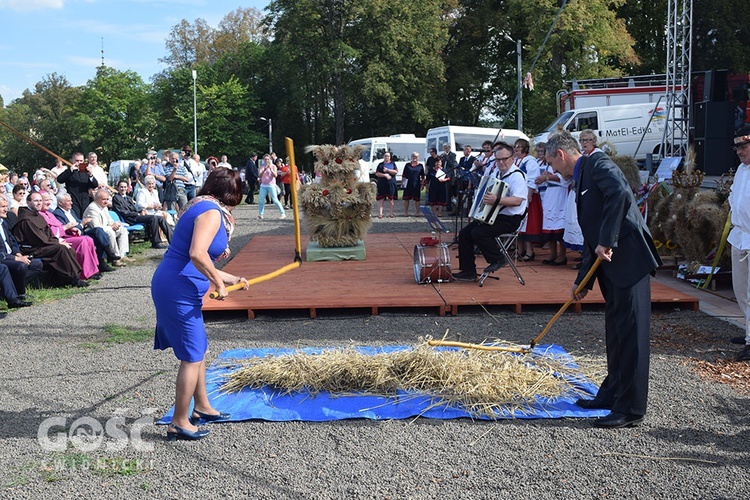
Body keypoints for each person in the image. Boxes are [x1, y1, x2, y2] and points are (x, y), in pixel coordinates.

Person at [545, 130, 661, 429]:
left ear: (561, 154)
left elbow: (621, 194)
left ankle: (631, 408)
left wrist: (607, 240)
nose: (552, 170)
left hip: (629, 261)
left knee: (632, 335)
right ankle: (611, 394)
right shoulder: (583, 174)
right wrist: (583, 280)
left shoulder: (597, 163)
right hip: (611, 264)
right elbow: (591, 233)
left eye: (551, 164)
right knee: (617, 333)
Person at [152, 167, 248, 441]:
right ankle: (179, 421)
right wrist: (219, 284)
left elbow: (200, 258)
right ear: (231, 193)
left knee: (198, 349)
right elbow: (196, 253)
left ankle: (202, 407)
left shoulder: (202, 206)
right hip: (177, 288)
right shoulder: (210, 212)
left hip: (181, 285)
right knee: (192, 355)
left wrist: (231, 278)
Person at [455, 142, 528, 281]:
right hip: (495, 215)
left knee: (479, 232)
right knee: (464, 233)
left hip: (511, 219)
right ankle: (468, 271)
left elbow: (518, 201)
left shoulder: (517, 176)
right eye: (498, 159)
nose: (501, 162)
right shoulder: (497, 173)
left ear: (512, 158)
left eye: (504, 159)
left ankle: (498, 259)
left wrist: (496, 200)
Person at [12, 192, 88, 288]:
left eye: (40, 200)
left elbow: (49, 234)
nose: (39, 203)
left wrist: (58, 241)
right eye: (36, 201)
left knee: (69, 249)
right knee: (61, 249)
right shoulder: (26, 219)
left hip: (44, 244)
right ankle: (74, 280)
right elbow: (38, 239)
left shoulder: (37, 215)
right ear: (28, 202)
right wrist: (57, 243)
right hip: (33, 248)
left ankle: (65, 279)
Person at [39, 192, 101, 280]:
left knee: (88, 239)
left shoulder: (49, 214)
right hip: (56, 240)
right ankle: (85, 273)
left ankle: (94, 269)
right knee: (82, 241)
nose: (49, 202)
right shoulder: (43, 215)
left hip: (64, 236)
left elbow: (60, 226)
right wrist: (67, 227)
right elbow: (51, 232)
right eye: (46, 200)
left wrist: (71, 229)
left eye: (49, 200)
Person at [728, 125, 750, 361]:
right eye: (738, 147)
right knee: (740, 290)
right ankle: (748, 332)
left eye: (743, 147)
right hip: (740, 236)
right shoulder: (742, 170)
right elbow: (735, 196)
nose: (739, 151)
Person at [53, 192, 117, 272]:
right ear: (60, 203)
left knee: (98, 232)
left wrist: (85, 222)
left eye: (71, 200)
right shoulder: (57, 214)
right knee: (97, 235)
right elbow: (68, 229)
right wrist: (82, 223)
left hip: (81, 231)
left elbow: (77, 221)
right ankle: (106, 257)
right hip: (72, 235)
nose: (71, 203)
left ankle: (104, 260)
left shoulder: (71, 211)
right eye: (68, 201)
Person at [0, 196, 40, 305]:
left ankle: (12, 288)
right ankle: (15, 295)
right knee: (20, 266)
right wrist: (16, 258)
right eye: (3, 207)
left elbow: (12, 242)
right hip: (3, 258)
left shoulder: (3, 223)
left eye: (6, 207)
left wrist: (18, 254)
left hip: (12, 256)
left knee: (37, 264)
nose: (6, 210)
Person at [112, 180, 172, 249]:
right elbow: (122, 212)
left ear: (127, 188)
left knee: (161, 218)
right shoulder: (116, 198)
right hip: (129, 219)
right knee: (153, 218)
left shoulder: (128, 198)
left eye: (125, 187)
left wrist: (142, 211)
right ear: (118, 188)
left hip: (136, 216)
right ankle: (156, 242)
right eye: (121, 187)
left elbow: (134, 208)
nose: (123, 189)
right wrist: (137, 213)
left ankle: (172, 240)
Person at [514, 139, 544, 262]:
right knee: (518, 224)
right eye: (515, 146)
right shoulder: (516, 161)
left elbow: (533, 179)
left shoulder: (530, 161)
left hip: (527, 195)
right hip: (517, 196)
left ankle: (529, 251)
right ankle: (520, 250)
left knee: (527, 224)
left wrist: (530, 194)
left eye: (519, 147)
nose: (516, 148)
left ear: (525, 148)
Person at [83, 189, 131, 264]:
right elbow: (96, 227)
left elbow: (109, 221)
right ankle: (115, 258)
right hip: (93, 231)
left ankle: (122, 255)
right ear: (97, 199)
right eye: (103, 199)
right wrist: (111, 227)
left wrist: (115, 224)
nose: (106, 201)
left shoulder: (104, 206)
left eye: (107, 199)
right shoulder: (92, 208)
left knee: (123, 230)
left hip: (105, 228)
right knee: (110, 232)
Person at [55, 152, 98, 218]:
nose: (79, 163)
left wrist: (90, 175)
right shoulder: (69, 171)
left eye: (81, 161)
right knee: (76, 218)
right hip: (73, 200)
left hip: (85, 200)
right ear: (72, 160)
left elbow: (94, 185)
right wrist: (70, 170)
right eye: (77, 160)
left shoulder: (86, 172)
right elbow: (59, 180)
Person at [257, 155, 286, 220]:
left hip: (271, 185)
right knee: (261, 200)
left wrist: (270, 169)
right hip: (263, 185)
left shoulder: (273, 166)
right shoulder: (262, 166)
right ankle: (260, 214)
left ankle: (282, 213)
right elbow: (260, 175)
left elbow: (275, 175)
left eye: (268, 159)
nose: (266, 161)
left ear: (270, 160)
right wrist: (264, 169)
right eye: (265, 159)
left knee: (275, 200)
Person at [375, 152, 398, 218]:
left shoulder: (393, 164)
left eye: (388, 156)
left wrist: (388, 170)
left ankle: (391, 213)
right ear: (383, 157)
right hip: (382, 184)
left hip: (391, 184)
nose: (386, 157)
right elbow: (377, 173)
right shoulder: (380, 165)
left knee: (391, 199)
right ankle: (380, 214)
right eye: (385, 156)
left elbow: (396, 172)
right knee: (381, 199)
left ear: (390, 157)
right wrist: (384, 175)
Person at [401, 152, 425, 217]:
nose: (415, 158)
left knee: (417, 199)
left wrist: (422, 184)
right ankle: (406, 212)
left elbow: (423, 176)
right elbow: (404, 175)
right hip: (408, 183)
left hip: (416, 184)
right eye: (413, 156)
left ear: (418, 158)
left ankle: (417, 212)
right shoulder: (407, 165)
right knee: (406, 199)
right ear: (411, 157)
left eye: (416, 156)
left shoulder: (420, 166)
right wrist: (402, 182)